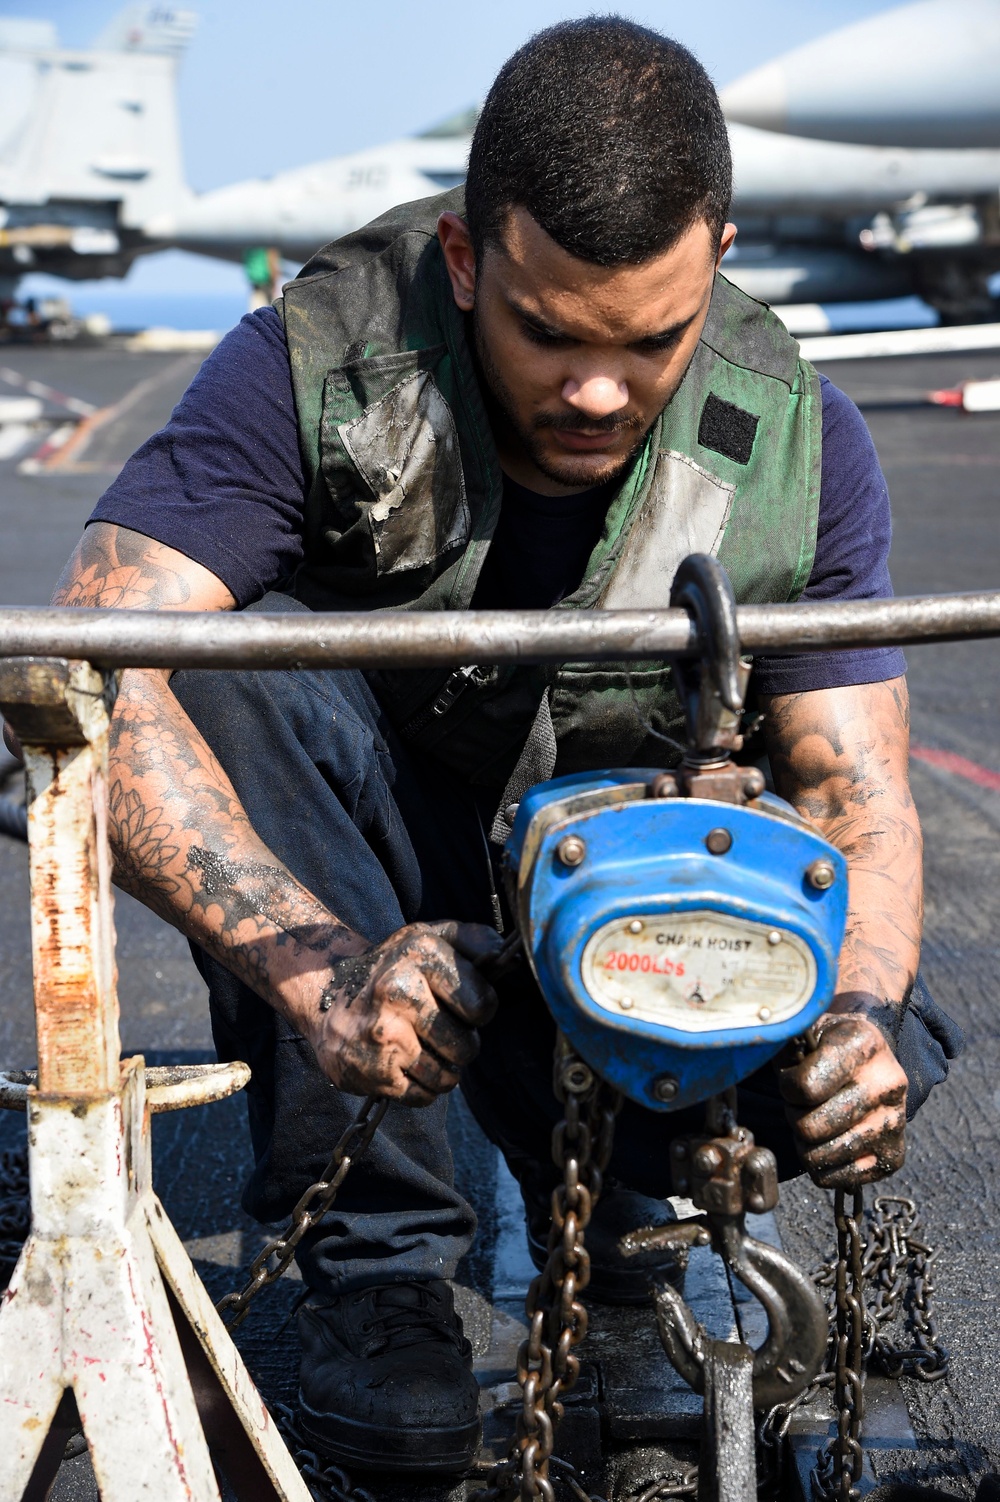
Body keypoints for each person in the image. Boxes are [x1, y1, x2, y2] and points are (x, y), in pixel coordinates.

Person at [45, 17, 962, 1478]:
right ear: (470, 262)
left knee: (799, 900)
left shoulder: (793, 438)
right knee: (236, 676)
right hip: (384, 849)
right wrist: (317, 970)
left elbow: (854, 784)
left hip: (629, 848)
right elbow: (99, 663)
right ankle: (384, 1264)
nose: (597, 392)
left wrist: (860, 1015)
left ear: (713, 262)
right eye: (550, 334)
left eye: (650, 340)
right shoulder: (311, 363)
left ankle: (636, 1246)